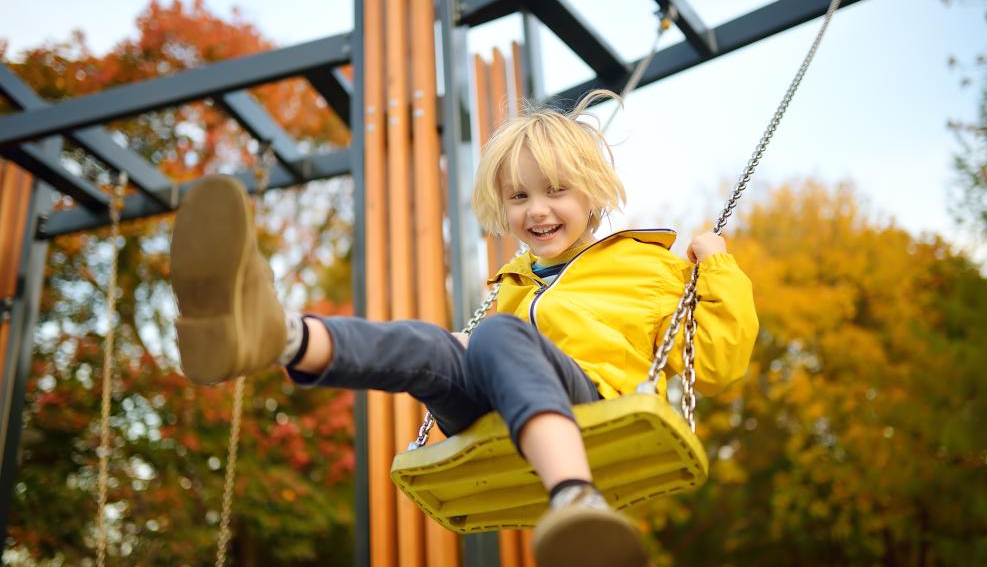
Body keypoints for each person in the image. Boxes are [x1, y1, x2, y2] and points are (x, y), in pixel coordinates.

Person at [170, 90, 758, 567]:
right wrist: (465, 347)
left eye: (556, 191)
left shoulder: (648, 267)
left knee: (495, 338)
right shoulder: (512, 284)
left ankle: (576, 496)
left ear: (594, 194)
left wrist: (717, 268)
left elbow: (718, 364)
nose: (537, 210)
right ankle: (276, 335)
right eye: (519, 196)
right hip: (494, 413)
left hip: (593, 409)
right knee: (434, 344)